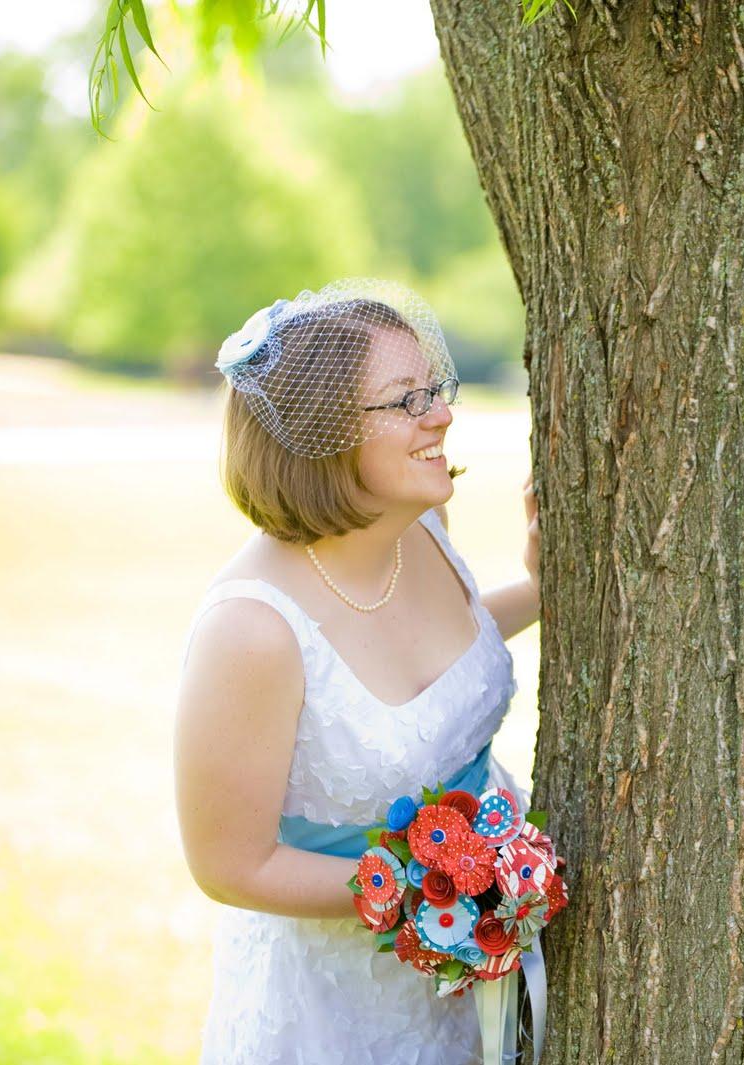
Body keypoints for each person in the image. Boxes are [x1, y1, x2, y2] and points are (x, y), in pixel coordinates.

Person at [175, 280, 540, 1063]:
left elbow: (440, 663)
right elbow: (229, 863)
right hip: (332, 1009)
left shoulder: (423, 524)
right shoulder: (251, 628)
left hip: (476, 969)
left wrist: (545, 591)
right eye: (407, 401)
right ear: (322, 433)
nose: (442, 414)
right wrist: (439, 894)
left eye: (435, 389)